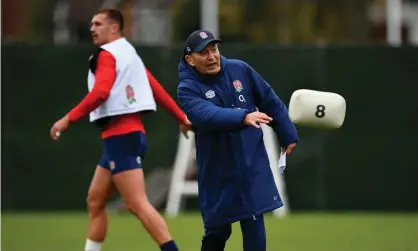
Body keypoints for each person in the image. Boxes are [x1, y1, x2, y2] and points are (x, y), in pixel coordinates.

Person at [50, 9, 191, 251]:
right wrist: (181, 117)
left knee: (137, 204)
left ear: (114, 28)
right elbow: (153, 86)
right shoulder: (129, 54)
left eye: (98, 24)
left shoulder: (108, 55)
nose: (92, 28)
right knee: (95, 200)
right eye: (92, 23)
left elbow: (101, 92)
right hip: (125, 137)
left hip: (121, 137)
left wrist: (67, 119)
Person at [176, 30, 299, 251]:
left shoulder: (239, 69)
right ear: (189, 59)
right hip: (217, 170)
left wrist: (287, 132)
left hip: (249, 161)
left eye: (214, 49)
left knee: (254, 221)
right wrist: (243, 116)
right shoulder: (187, 89)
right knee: (217, 231)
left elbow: (269, 99)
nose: (212, 56)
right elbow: (207, 114)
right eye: (203, 53)